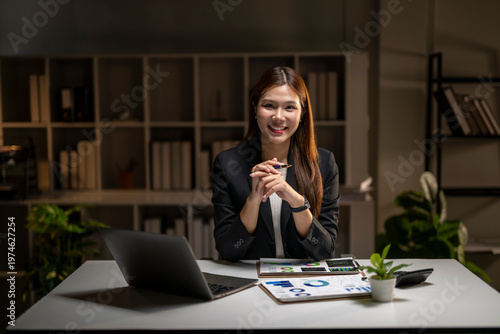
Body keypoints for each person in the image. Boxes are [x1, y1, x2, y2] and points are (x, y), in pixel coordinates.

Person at [211, 66, 340, 262]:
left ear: (302, 113)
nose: (278, 116)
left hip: (304, 283)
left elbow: (324, 252)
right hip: (250, 280)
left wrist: (297, 203)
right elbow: (228, 251)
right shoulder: (228, 164)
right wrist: (254, 199)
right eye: (269, 105)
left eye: (289, 107)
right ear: (254, 108)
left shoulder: (324, 163)